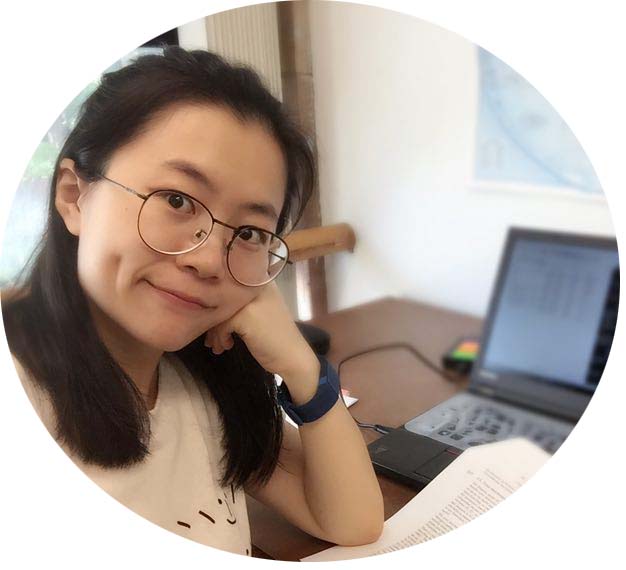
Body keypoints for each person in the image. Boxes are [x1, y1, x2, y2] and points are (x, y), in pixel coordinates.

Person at [1, 46, 383, 557]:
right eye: (177, 200)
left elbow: (353, 521)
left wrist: (300, 365)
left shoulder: (201, 383)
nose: (207, 260)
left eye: (248, 232)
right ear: (75, 196)